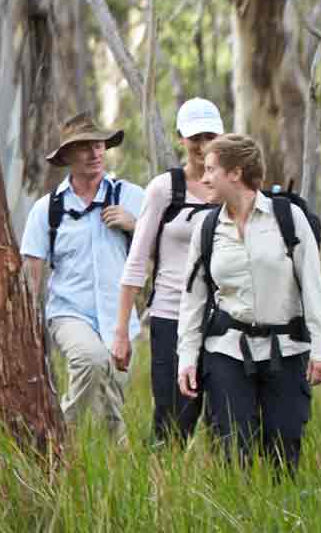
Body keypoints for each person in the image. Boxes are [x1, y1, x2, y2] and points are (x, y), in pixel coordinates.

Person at [177, 133, 321, 470]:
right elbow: (193, 300)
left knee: (284, 449)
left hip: (287, 351)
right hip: (227, 351)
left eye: (210, 169)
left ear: (235, 173)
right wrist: (187, 357)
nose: (203, 178)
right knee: (234, 451)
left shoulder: (288, 218)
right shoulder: (206, 228)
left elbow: (313, 287)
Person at [19, 113, 146, 435]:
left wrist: (135, 225)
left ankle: (115, 464)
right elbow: (32, 270)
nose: (95, 153)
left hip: (119, 316)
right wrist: (29, 327)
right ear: (67, 157)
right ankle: (60, 434)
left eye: (99, 145)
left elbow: (164, 242)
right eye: (85, 147)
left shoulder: (130, 196)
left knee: (113, 399)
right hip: (69, 311)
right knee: (90, 360)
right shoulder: (47, 209)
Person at [113, 98, 223, 444]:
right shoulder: (165, 188)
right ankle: (162, 487)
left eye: (210, 136)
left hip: (224, 319)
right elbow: (137, 259)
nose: (203, 145)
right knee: (175, 420)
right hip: (171, 316)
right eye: (195, 137)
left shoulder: (230, 186)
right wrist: (121, 331)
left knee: (226, 421)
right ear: (180, 138)